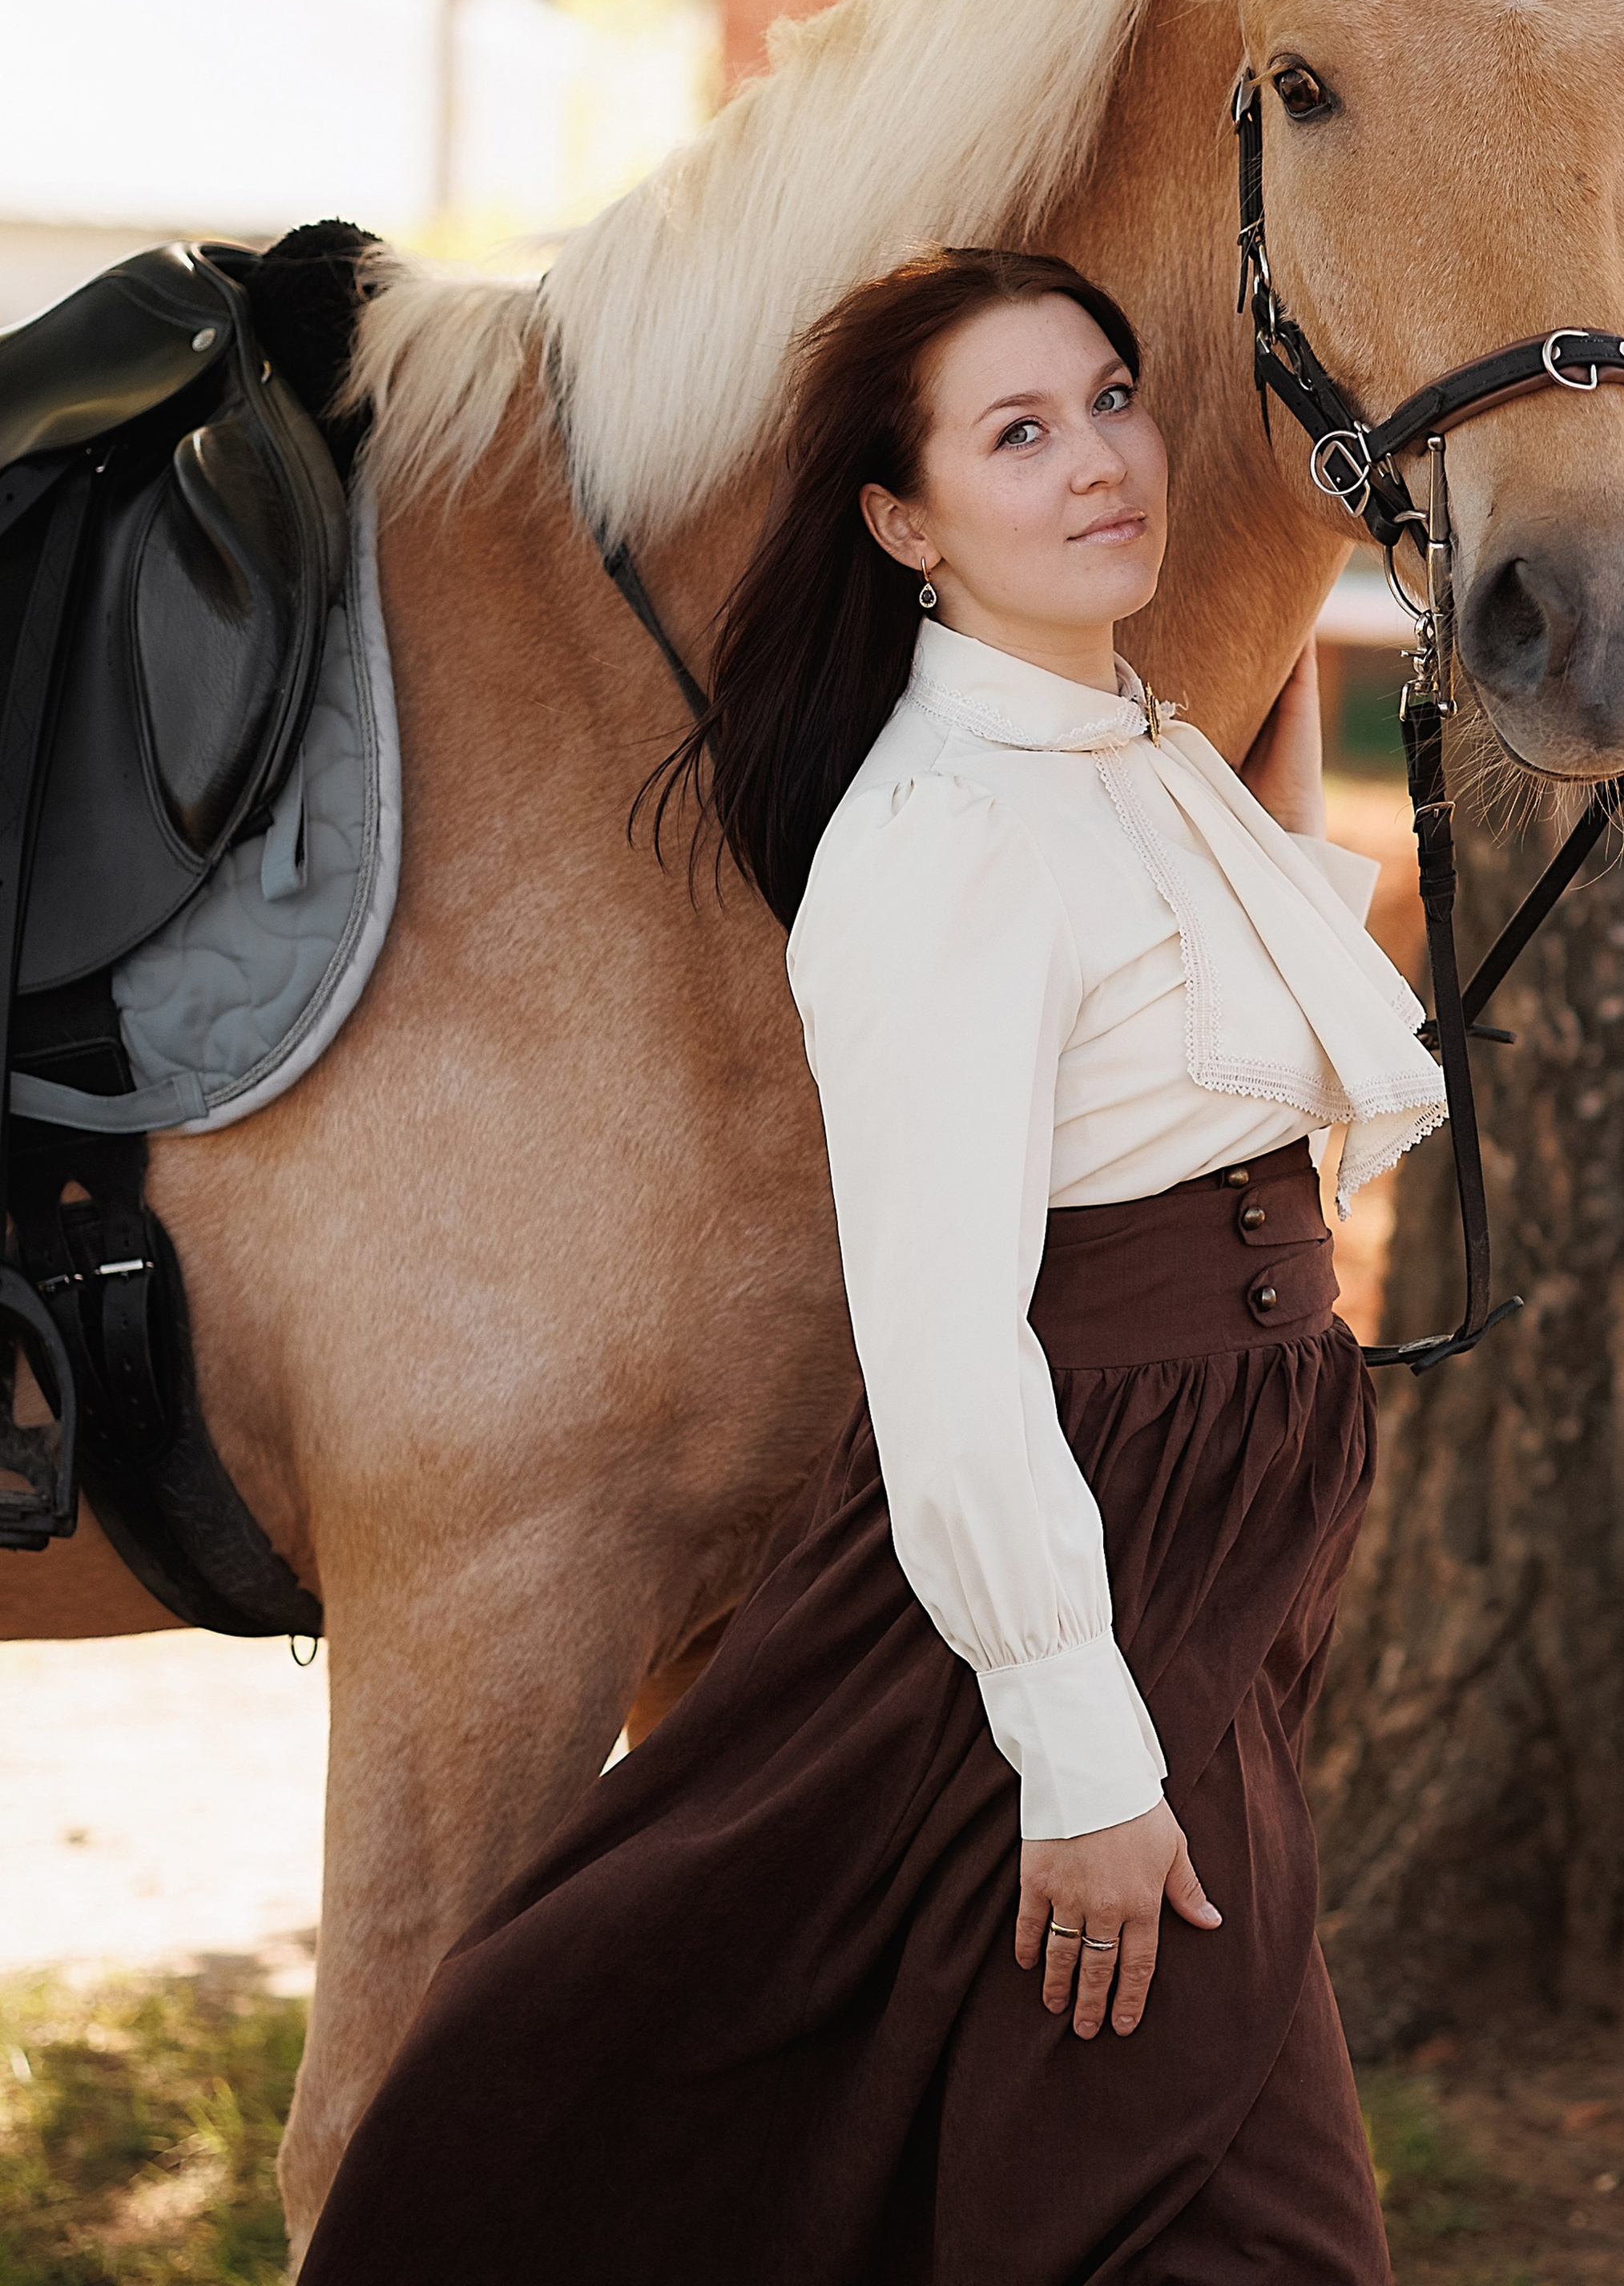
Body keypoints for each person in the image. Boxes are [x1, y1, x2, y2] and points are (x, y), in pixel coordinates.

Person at [300, 247, 1447, 2284]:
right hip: (1097, 1532)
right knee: (1231, 2218)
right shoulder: (942, 833)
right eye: (1018, 432)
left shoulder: (1133, 756)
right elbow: (939, 1342)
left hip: (1223, 1513)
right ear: (904, 525)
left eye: (1110, 399)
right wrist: (1076, 1755)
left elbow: (1223, 1071)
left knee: (1059, 2163)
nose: (1099, 460)